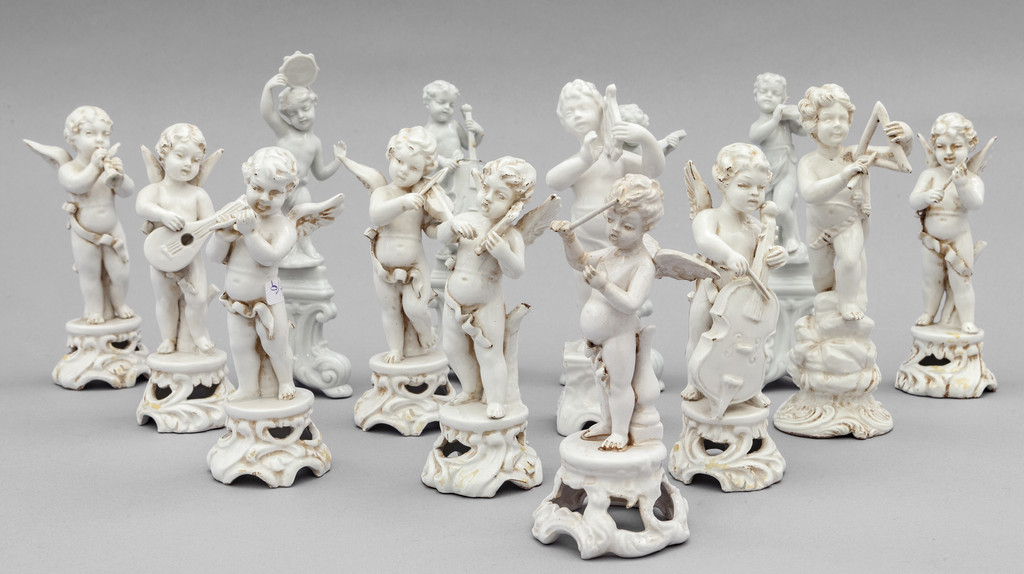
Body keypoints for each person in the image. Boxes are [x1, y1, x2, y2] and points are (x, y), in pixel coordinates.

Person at [551, 174, 665, 450]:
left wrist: (603, 285)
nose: (615, 229)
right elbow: (580, 261)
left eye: (627, 226)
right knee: (602, 383)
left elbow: (632, 303)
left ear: (646, 227)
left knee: (618, 386)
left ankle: (621, 433)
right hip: (597, 339)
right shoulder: (611, 253)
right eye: (611, 220)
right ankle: (606, 422)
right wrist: (569, 239)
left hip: (619, 335)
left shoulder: (643, 264)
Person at [682, 143, 787, 406]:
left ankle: (750, 387)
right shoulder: (710, 216)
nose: (754, 194)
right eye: (744, 185)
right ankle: (694, 381)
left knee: (751, 343)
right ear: (723, 184)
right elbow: (704, 239)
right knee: (699, 334)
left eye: (760, 188)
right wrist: (728, 255)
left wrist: (778, 256)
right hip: (713, 289)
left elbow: (764, 257)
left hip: (744, 298)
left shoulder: (757, 227)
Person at [796, 84, 911, 320]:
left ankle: (848, 301)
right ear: (813, 125)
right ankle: (827, 305)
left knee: (849, 260)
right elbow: (810, 193)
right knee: (821, 279)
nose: (837, 124)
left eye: (843, 118)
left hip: (847, 222)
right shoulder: (808, 162)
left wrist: (905, 136)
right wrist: (844, 176)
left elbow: (896, 155)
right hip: (818, 228)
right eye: (828, 119)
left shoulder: (855, 153)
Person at [440, 157, 535, 419]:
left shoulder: (510, 235)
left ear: (515, 205)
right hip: (453, 299)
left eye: (499, 195)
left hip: (486, 302)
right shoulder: (467, 218)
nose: (487, 198)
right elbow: (442, 236)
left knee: (490, 353)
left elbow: (517, 271)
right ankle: (471, 390)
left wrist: (503, 253)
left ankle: (495, 400)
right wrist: (451, 225)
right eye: (485, 188)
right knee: (452, 347)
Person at [207, 147, 300, 401]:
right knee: (240, 345)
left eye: (274, 192)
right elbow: (213, 257)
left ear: (288, 191)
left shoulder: (284, 226)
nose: (264, 198)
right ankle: (248, 387)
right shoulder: (239, 216)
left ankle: (285, 381)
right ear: (247, 181)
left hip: (270, 294)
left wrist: (249, 233)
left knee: (276, 341)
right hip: (236, 298)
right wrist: (221, 237)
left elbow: (269, 257)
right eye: (257, 188)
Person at [367, 127, 451, 363]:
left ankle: (426, 330)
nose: (404, 171)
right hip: (383, 266)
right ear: (390, 155)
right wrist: (402, 203)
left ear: (424, 172)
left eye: (414, 168)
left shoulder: (422, 196)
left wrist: (446, 227)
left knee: (415, 308)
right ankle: (395, 349)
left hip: (414, 264)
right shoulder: (383, 193)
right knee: (390, 309)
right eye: (399, 161)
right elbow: (377, 215)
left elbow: (430, 229)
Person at [136, 123, 216, 353]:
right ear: (163, 156)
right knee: (166, 300)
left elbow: (211, 222)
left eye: (195, 160)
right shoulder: (156, 190)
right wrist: (163, 215)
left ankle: (198, 336)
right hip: (161, 257)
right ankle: (168, 339)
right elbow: (142, 205)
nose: (188, 164)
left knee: (198, 299)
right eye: (180, 156)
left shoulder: (199, 195)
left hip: (191, 258)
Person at [58, 106, 136, 324]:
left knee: (120, 273)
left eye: (105, 134)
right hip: (84, 234)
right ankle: (94, 310)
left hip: (113, 230)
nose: (99, 140)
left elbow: (128, 192)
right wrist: (94, 167)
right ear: (72, 139)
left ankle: (120, 304)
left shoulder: (107, 166)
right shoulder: (69, 169)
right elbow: (77, 185)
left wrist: (120, 177)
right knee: (90, 274)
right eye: (90, 133)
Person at [909, 113, 985, 334]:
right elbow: (913, 200)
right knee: (931, 280)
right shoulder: (930, 175)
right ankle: (929, 313)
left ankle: (967, 320)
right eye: (941, 147)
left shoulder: (971, 179)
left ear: (970, 146)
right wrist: (925, 197)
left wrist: (962, 186)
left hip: (958, 238)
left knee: (961, 280)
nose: (948, 152)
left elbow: (975, 203)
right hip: (931, 240)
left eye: (956, 146)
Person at [749, 72, 805, 255]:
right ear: (756, 96)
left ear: (783, 98)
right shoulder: (760, 124)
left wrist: (797, 115)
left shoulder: (786, 123)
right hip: (766, 172)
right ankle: (771, 240)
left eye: (775, 93)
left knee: (782, 207)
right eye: (764, 91)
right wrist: (775, 119)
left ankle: (790, 237)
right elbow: (755, 137)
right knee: (767, 209)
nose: (769, 96)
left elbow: (805, 131)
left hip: (786, 168)